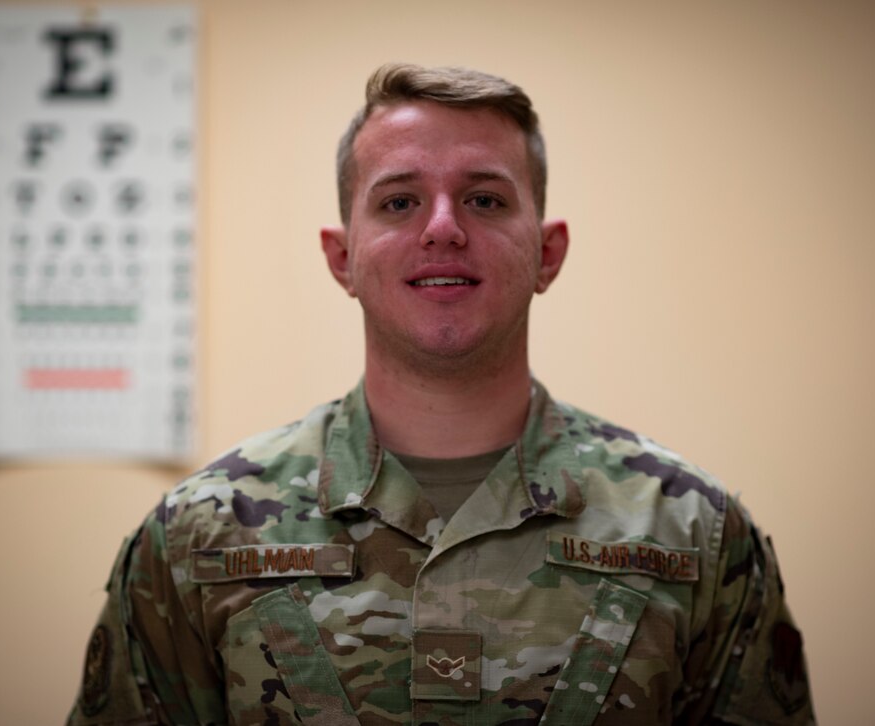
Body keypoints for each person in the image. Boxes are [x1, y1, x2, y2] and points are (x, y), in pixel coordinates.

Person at [69, 63, 814, 725]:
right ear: (343, 258)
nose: (444, 229)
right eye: (398, 203)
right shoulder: (201, 536)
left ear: (547, 253)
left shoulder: (692, 534)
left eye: (485, 200)